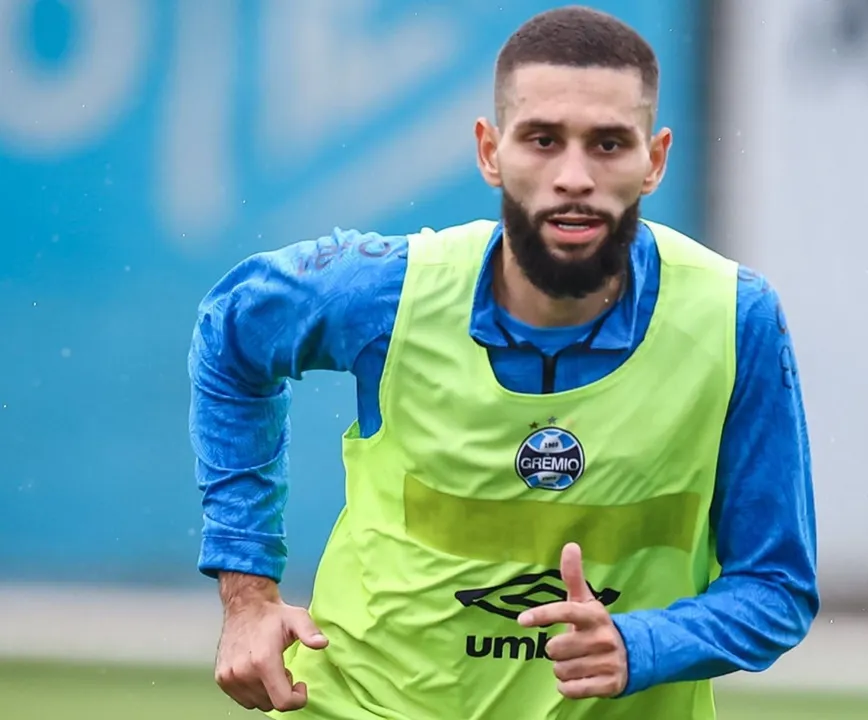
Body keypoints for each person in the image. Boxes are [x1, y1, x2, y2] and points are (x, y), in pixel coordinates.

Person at [188, 6, 818, 719]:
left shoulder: (735, 320)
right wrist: (248, 594)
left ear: (655, 159)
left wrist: (643, 645)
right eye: (543, 140)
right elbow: (229, 329)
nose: (574, 175)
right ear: (491, 151)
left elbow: (777, 589)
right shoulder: (386, 294)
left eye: (609, 144)